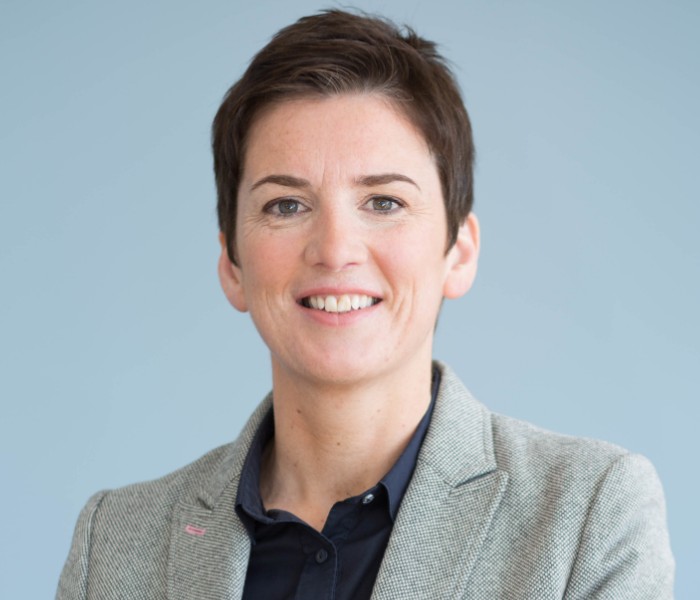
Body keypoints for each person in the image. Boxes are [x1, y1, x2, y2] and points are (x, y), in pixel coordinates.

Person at [56, 10, 674, 599]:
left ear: (459, 252)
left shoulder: (587, 515)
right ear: (232, 265)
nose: (334, 250)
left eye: (384, 202)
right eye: (286, 206)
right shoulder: (114, 542)